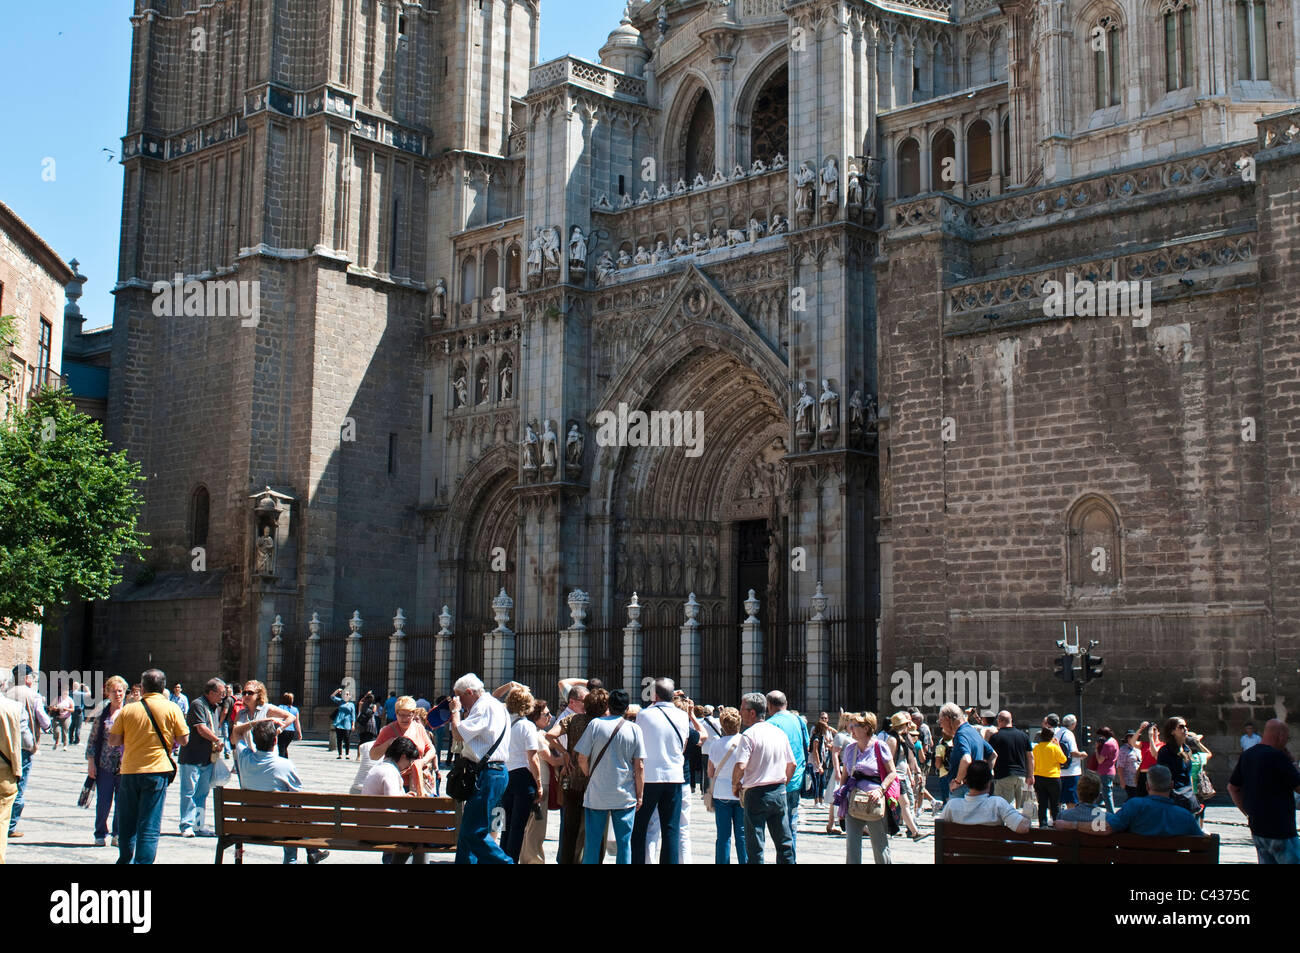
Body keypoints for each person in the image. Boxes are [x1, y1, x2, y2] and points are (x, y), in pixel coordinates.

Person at [109, 669, 189, 864]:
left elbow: (113, 740)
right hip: (157, 771)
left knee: (127, 821)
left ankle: (125, 860)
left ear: (142, 688)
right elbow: (184, 739)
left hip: (130, 770)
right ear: (163, 688)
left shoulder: (129, 709)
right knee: (149, 824)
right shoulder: (172, 708)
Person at [230, 718, 329, 864]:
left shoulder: (244, 757)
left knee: (291, 815)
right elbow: (298, 797)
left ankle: (312, 851)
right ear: (275, 741)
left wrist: (258, 721)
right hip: (279, 828)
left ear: (255, 741)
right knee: (294, 814)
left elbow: (236, 731)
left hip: (250, 826)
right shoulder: (285, 765)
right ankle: (305, 854)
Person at [575, 689, 645, 864]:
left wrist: (589, 774)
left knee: (592, 842)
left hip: (597, 791)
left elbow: (582, 757)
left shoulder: (596, 724)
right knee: (624, 843)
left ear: (608, 705)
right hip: (624, 792)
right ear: (627, 708)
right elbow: (640, 766)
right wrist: (640, 794)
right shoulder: (634, 729)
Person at [448, 673, 512, 863]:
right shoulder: (494, 705)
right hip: (492, 772)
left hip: (488, 773)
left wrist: (455, 712)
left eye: (460, 697)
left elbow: (458, 734)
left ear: (469, 692)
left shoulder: (483, 706)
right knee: (468, 831)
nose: (459, 702)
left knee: (473, 831)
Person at [630, 677, 689, 865]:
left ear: (654, 695)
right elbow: (684, 746)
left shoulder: (645, 715)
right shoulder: (682, 716)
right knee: (671, 828)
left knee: (640, 827)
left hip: (650, 777)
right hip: (674, 776)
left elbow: (638, 745)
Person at [733, 692, 796, 864]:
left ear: (752, 713)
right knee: (784, 842)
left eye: (742, 708)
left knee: (755, 846)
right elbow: (792, 764)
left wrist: (735, 784)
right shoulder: (779, 733)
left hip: (756, 793)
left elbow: (740, 765)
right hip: (778, 791)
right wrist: (783, 783)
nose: (740, 712)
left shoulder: (748, 735)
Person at [1228, 718, 1300, 864]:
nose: (1286, 741)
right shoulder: (1278, 757)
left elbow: (1232, 788)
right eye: (1287, 737)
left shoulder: (1248, 755)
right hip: (1281, 830)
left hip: (1258, 829)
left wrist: (1248, 813)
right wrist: (1292, 765)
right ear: (1280, 736)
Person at [547, 686, 602, 864]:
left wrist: (564, 752)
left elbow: (549, 735)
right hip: (594, 782)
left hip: (573, 780)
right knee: (595, 829)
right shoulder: (602, 723)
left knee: (570, 829)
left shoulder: (572, 719)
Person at [834, 711, 896, 864]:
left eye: (854, 725)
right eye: (851, 725)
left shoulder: (879, 747)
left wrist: (880, 789)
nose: (851, 728)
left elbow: (892, 773)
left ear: (867, 728)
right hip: (853, 802)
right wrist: (841, 799)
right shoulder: (850, 749)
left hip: (874, 802)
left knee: (880, 846)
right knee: (852, 847)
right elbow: (845, 776)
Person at [1081, 765, 1203, 837]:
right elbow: (1201, 843)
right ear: (1171, 785)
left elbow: (1106, 828)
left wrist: (1073, 825)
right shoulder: (1185, 816)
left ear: (1147, 786)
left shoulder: (1134, 806)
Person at [5, 664, 50, 839]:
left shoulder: (6, 694)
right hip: (24, 746)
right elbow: (43, 719)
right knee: (19, 785)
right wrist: (48, 728)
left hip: (5, 745)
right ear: (27, 678)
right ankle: (10, 825)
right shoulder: (34, 696)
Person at [498, 685, 542, 862]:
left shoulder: (503, 722)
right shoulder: (527, 726)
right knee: (518, 827)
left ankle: (502, 859)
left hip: (505, 775)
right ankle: (512, 860)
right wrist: (538, 783)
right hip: (523, 777)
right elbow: (533, 758)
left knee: (505, 826)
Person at [178, 678, 225, 837]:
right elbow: (201, 729)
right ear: (211, 693)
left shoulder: (214, 707)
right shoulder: (198, 704)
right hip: (192, 757)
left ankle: (198, 825)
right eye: (220, 693)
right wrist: (217, 740)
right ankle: (186, 825)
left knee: (202, 793)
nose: (223, 697)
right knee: (189, 792)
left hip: (207, 757)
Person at [765, 690, 809, 858]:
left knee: (776, 827)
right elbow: (806, 746)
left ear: (769, 706)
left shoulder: (771, 724)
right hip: (796, 779)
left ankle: (783, 858)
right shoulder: (798, 720)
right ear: (786, 703)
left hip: (778, 781)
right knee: (791, 823)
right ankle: (791, 858)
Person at [85, 676, 127, 846]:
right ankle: (100, 832)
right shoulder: (102, 714)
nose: (117, 694)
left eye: (120, 691)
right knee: (103, 801)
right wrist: (91, 762)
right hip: (104, 764)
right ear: (107, 693)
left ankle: (118, 833)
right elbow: (92, 739)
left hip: (125, 765)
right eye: (114, 691)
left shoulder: (129, 712)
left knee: (122, 801)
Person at [521, 698, 563, 864]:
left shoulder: (535, 732)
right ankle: (534, 860)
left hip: (538, 782)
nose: (550, 716)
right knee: (536, 827)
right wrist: (569, 758)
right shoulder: (536, 735)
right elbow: (551, 760)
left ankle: (528, 858)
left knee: (532, 826)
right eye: (546, 714)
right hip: (541, 784)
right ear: (535, 716)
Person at [370, 695, 437, 795]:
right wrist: (388, 743)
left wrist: (423, 761)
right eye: (401, 715)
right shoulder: (388, 730)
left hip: (418, 780)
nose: (404, 719)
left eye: (408, 715)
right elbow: (373, 755)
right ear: (396, 713)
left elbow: (431, 749)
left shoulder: (419, 728)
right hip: (396, 783)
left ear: (414, 714)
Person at [941, 759, 1032, 832]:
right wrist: (1026, 817)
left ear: (966, 782)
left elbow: (941, 829)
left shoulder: (952, 805)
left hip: (961, 854)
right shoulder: (997, 804)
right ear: (989, 783)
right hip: (992, 854)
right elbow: (1022, 827)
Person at [706, 706, 747, 864]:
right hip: (741, 792)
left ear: (722, 724)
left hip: (721, 793)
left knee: (723, 836)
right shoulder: (745, 741)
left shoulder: (715, 744)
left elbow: (710, 772)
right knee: (742, 835)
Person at [885, 712, 927, 840]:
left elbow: (907, 760)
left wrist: (911, 773)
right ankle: (914, 832)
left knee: (904, 804)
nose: (908, 726)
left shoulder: (901, 738)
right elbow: (889, 760)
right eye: (906, 724)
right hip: (896, 777)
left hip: (901, 777)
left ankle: (913, 831)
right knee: (903, 804)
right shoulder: (892, 739)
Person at [941, 702, 995, 797]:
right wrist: (984, 777)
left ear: (947, 719)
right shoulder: (972, 731)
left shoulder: (961, 734)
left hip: (962, 790)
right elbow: (993, 755)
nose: (941, 725)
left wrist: (957, 782)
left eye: (940, 721)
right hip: (975, 789)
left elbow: (966, 759)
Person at [988, 710, 1031, 811]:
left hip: (1004, 775)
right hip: (1021, 776)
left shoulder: (995, 737)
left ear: (999, 721)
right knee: (1018, 808)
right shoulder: (1024, 736)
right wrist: (1030, 775)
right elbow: (1030, 756)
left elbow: (990, 756)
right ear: (1011, 720)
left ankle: (1007, 827)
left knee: (1005, 809)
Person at [1031, 726, 1067, 827]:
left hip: (1039, 777)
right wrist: (1058, 745)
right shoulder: (1054, 747)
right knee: (1054, 804)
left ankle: (1042, 824)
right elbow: (1063, 760)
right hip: (1053, 777)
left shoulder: (1036, 748)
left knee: (1042, 803)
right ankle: (1056, 823)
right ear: (1052, 737)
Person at [0, 691, 21, 864]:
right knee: (1, 820)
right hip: (5, 770)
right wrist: (18, 771)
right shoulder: (13, 707)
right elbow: (18, 743)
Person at [1054, 714, 1084, 809]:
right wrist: (1083, 754)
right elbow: (1073, 752)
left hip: (1059, 770)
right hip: (1071, 771)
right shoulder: (1069, 734)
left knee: (1058, 799)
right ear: (1073, 724)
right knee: (1071, 799)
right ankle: (1070, 820)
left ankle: (1056, 818)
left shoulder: (1057, 733)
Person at [1089, 726, 1120, 812]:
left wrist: (1096, 749)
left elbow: (1100, 760)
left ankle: (1111, 813)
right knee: (1105, 791)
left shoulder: (1107, 744)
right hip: (1111, 770)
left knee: (1107, 794)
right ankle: (1093, 806)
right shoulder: (1114, 741)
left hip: (1105, 771)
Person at [809, 720, 831, 807]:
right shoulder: (816, 738)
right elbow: (815, 752)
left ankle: (821, 801)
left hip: (821, 761)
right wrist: (819, 765)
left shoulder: (822, 737)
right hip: (815, 763)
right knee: (816, 782)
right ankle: (816, 801)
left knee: (822, 781)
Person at [331, 687, 356, 758]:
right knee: (339, 739)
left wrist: (353, 724)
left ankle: (347, 754)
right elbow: (332, 697)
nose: (346, 695)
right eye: (345, 694)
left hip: (347, 723)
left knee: (347, 739)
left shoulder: (352, 704)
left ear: (350, 696)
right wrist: (337, 691)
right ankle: (340, 754)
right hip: (339, 722)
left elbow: (353, 715)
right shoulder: (340, 701)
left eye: (347, 694)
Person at [1136, 721, 1161, 795]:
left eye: (1155, 730)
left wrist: (1151, 737)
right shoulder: (1144, 744)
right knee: (1141, 795)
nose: (1153, 732)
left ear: (1158, 732)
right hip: (1143, 774)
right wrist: (1140, 729)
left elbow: (1155, 753)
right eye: (1151, 730)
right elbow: (1132, 742)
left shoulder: (1162, 745)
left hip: (1154, 774)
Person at [1117, 729, 1141, 802]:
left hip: (1139, 779)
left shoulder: (1138, 748)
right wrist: (1121, 780)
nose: (1133, 738)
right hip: (1129, 781)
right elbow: (1120, 766)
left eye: (1134, 736)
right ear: (1127, 738)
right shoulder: (1123, 750)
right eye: (1131, 737)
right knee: (1132, 799)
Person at [278, 693, 302, 758]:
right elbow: (297, 722)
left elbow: (278, 719)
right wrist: (299, 733)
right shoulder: (295, 709)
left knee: (281, 748)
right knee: (285, 747)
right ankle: (286, 760)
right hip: (291, 732)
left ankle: (282, 762)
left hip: (283, 730)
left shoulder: (280, 707)